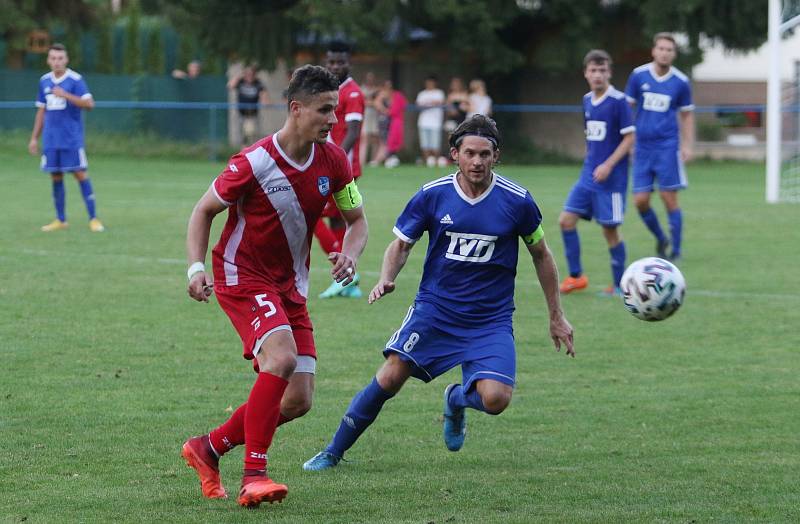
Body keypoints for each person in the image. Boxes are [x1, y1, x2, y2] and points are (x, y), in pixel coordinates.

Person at [302, 115, 574, 472]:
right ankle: (333, 451)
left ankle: (457, 398)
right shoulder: (433, 195)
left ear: (496, 157)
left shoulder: (517, 201)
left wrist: (556, 315)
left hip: (489, 320)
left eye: (485, 154)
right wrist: (386, 278)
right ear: (455, 155)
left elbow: (542, 254)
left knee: (495, 399)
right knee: (390, 377)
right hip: (436, 311)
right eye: (470, 153)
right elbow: (401, 246)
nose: (477, 161)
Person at [181, 64, 368, 508]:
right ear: (295, 108)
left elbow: (357, 221)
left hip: (290, 285)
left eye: (336, 110)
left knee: (298, 399)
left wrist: (352, 254)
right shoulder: (254, 161)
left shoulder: (334, 161)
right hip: (240, 275)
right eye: (325, 110)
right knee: (280, 358)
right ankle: (254, 476)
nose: (333, 120)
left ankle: (208, 447)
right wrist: (194, 268)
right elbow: (202, 211)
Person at [559, 50, 635, 297]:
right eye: (593, 70)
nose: (598, 75)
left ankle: (619, 284)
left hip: (611, 180)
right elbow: (591, 136)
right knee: (566, 221)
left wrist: (608, 165)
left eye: (602, 71)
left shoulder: (619, 101)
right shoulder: (587, 100)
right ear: (586, 74)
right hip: (587, 177)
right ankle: (576, 276)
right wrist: (591, 160)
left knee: (609, 231)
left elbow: (629, 138)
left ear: (609, 73)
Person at [625, 32, 694, 262]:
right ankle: (661, 238)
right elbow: (628, 109)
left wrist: (687, 144)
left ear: (674, 54)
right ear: (654, 51)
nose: (664, 52)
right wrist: (627, 140)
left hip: (667, 147)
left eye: (669, 49)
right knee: (640, 200)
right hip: (642, 147)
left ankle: (676, 249)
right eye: (661, 48)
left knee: (669, 197)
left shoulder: (681, 82)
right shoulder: (638, 76)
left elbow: (686, 115)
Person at [28, 43, 104, 233]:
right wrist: (34, 138)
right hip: (51, 140)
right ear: (48, 60)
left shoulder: (75, 80)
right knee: (55, 176)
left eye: (60, 58)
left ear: (66, 59)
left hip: (71, 139)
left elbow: (89, 104)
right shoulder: (44, 81)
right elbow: (41, 111)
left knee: (80, 174)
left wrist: (66, 95)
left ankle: (93, 218)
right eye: (53, 58)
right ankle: (61, 219)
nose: (56, 62)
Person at [316, 41, 366, 299]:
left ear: (349, 62)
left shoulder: (353, 93)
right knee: (336, 220)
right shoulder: (331, 90)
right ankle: (350, 285)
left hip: (341, 169)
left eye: (340, 61)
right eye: (331, 61)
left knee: (311, 216)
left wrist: (335, 161)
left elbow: (353, 132)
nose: (335, 66)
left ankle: (346, 273)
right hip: (333, 166)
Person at [228, 65, 270, 146]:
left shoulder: (258, 83)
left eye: (251, 74)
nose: (249, 76)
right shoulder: (240, 81)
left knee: (253, 136)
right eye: (247, 74)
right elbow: (230, 86)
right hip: (241, 114)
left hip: (253, 115)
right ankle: (242, 152)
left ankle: (253, 153)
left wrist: (264, 100)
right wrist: (239, 76)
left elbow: (265, 98)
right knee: (241, 137)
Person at [415, 75, 446, 168]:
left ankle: (436, 162)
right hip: (423, 122)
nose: (429, 84)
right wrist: (430, 104)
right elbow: (418, 105)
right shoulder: (422, 94)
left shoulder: (439, 93)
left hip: (435, 123)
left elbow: (439, 102)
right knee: (425, 144)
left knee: (435, 145)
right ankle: (427, 163)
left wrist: (426, 104)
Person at [359, 72, 380, 167]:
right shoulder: (361, 89)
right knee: (365, 138)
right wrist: (372, 102)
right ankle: (362, 161)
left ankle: (373, 161)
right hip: (365, 116)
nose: (370, 80)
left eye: (372, 78)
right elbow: (363, 102)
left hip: (375, 117)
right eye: (368, 78)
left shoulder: (377, 89)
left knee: (375, 139)